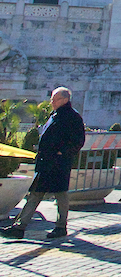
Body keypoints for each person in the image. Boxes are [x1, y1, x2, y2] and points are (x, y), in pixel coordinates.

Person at [2, 87, 85, 240]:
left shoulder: (72, 117)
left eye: (54, 99)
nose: (51, 102)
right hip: (46, 163)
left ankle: (60, 227)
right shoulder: (55, 115)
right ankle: (20, 227)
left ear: (65, 100)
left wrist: (62, 153)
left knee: (60, 194)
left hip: (59, 164)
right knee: (35, 194)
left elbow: (78, 141)